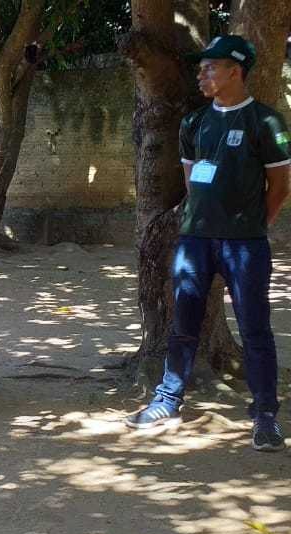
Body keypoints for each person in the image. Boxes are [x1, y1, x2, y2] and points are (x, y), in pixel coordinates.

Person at [125, 35, 290, 453]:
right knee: (183, 325)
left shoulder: (265, 122)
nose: (202, 74)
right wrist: (205, 221)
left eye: (210, 67)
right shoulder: (193, 123)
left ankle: (265, 414)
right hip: (195, 241)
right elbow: (190, 180)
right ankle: (167, 400)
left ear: (235, 71)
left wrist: (253, 224)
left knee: (255, 330)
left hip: (245, 245)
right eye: (201, 68)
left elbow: (280, 186)